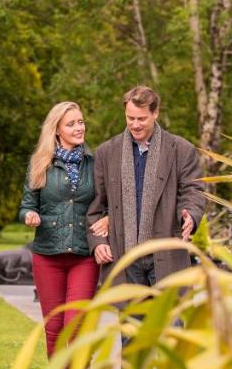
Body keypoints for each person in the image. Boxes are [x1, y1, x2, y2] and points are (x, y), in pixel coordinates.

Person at [87, 86, 204, 288]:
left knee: (169, 319)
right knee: (132, 321)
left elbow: (192, 191)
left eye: (141, 119)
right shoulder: (106, 153)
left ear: (155, 113)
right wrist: (98, 243)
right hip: (123, 259)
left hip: (167, 255)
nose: (135, 124)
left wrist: (190, 215)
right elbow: (95, 205)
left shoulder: (182, 150)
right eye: (130, 118)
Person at [17, 101, 103, 367]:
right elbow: (26, 205)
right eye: (71, 124)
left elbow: (106, 201)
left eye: (80, 122)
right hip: (47, 255)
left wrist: (108, 218)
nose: (79, 128)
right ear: (57, 130)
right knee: (54, 330)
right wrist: (29, 216)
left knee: (76, 325)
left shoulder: (95, 164)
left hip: (83, 256)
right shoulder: (39, 164)